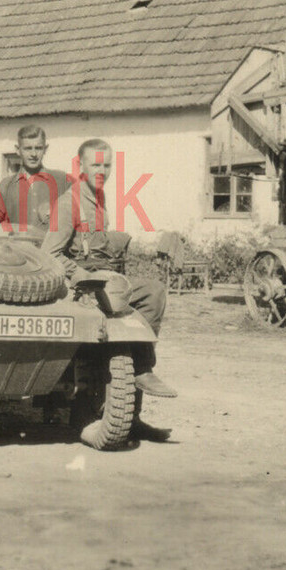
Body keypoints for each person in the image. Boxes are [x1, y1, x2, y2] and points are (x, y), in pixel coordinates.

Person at [41, 139, 176, 434]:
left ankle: (132, 410)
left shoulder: (98, 199)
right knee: (133, 310)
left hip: (103, 278)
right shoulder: (68, 203)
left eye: (107, 165)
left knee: (151, 294)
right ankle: (139, 373)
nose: (102, 171)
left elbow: (100, 245)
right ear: (80, 167)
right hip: (81, 283)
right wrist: (80, 276)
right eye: (96, 165)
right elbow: (49, 253)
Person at [0, 124, 72, 242]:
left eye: (38, 148)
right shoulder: (5, 186)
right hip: (17, 255)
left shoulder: (63, 181)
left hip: (51, 256)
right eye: (27, 148)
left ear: (45, 149)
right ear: (18, 150)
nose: (33, 154)